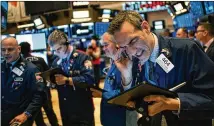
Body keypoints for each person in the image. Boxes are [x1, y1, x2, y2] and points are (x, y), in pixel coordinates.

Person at [107, 10, 214, 126]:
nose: (132, 51)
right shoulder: (131, 60)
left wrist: (172, 103)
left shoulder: (186, 50)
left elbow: (211, 99)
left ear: (145, 27)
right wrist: (126, 75)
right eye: (124, 47)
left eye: (133, 41)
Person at [91, 32, 140, 126]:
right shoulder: (114, 61)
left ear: (117, 44)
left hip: (123, 119)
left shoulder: (127, 63)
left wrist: (103, 94)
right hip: (111, 117)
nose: (103, 48)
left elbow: (128, 93)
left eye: (106, 45)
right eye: (102, 46)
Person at [48, 30, 95, 126]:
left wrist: (68, 80)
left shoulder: (83, 57)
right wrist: (49, 82)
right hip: (65, 109)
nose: (56, 53)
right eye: (54, 50)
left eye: (59, 49)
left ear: (66, 43)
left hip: (82, 108)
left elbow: (89, 79)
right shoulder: (56, 62)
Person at [1, 37, 44, 126]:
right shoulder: (1, 67)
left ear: (19, 49)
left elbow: (40, 95)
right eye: (3, 50)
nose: (6, 53)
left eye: (10, 49)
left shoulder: (31, 69)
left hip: (18, 118)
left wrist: (26, 114)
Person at [19, 42, 59, 126]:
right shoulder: (40, 59)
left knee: (37, 113)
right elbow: (48, 73)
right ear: (30, 49)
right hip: (44, 89)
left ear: (20, 50)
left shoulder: (20, 63)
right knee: (49, 110)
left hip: (31, 92)